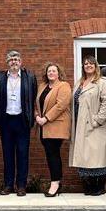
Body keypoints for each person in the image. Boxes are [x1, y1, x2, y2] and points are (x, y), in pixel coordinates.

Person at [69, 55, 106, 195]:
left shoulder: (102, 83)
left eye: (91, 64)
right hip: (80, 125)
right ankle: (88, 188)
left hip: (97, 127)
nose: (88, 66)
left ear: (96, 66)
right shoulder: (79, 83)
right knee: (84, 158)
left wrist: (97, 120)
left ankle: (99, 188)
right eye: (85, 64)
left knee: (98, 158)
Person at [0, 50, 37, 196]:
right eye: (11, 59)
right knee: (7, 154)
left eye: (17, 59)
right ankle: (8, 185)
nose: (14, 61)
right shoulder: (0, 77)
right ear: (7, 62)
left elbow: (33, 98)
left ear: (21, 61)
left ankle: (21, 186)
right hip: (6, 120)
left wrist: (31, 117)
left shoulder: (29, 77)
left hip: (22, 120)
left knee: (22, 153)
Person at [34, 62, 72, 197]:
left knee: (53, 154)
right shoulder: (42, 86)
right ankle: (56, 181)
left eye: (54, 71)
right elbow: (36, 103)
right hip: (43, 126)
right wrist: (37, 116)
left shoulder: (64, 86)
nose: (51, 73)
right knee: (50, 154)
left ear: (58, 73)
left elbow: (61, 105)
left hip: (56, 125)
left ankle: (55, 183)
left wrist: (46, 118)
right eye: (49, 71)